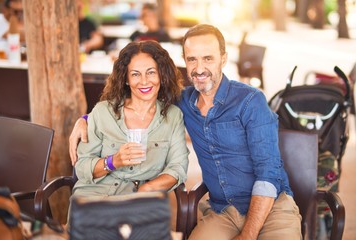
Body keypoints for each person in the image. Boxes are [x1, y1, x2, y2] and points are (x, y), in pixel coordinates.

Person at [69, 24, 302, 239]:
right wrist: (86, 119)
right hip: (224, 212)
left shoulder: (250, 101)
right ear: (184, 61)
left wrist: (247, 235)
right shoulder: (183, 103)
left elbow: (268, 174)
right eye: (192, 59)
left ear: (223, 59)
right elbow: (137, 100)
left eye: (208, 58)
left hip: (271, 209)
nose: (199, 68)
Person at [72, 40, 188, 199]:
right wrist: (113, 162)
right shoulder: (103, 112)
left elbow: (178, 167)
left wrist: (146, 190)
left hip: (141, 202)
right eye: (135, 74)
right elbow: (82, 167)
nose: (145, 81)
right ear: (126, 79)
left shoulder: (173, 116)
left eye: (151, 72)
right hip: (96, 195)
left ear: (162, 74)